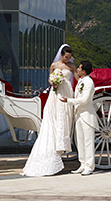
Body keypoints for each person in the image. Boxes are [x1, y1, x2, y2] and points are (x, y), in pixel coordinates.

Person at [20, 44, 76, 177]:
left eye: (69, 57)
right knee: (53, 118)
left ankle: (62, 143)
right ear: (61, 55)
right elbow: (49, 78)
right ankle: (54, 147)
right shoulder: (54, 65)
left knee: (64, 117)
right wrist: (53, 83)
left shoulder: (72, 66)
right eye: (66, 57)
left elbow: (77, 79)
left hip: (67, 92)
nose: (67, 59)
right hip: (55, 94)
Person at [68, 60, 97, 175]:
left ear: (84, 71)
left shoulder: (89, 82)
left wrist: (69, 101)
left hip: (87, 115)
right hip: (79, 115)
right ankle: (83, 164)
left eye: (79, 68)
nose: (78, 69)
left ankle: (89, 166)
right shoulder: (81, 81)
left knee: (88, 141)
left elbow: (85, 100)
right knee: (80, 141)